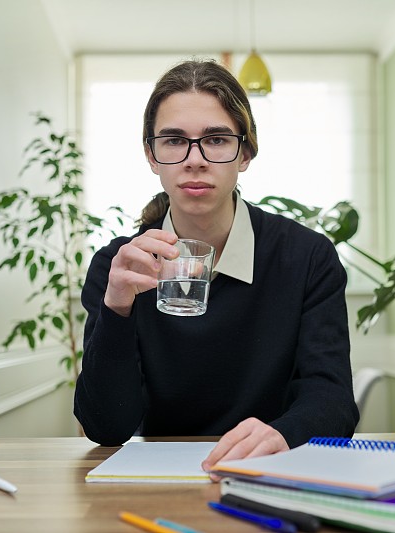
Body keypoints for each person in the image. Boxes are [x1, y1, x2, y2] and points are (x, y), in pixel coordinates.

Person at [74, 58, 358, 475]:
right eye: (173, 140)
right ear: (151, 156)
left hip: (271, 472)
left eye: (217, 139)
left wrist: (283, 434)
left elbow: (332, 400)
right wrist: (117, 308)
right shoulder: (118, 267)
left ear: (245, 153)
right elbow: (106, 427)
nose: (195, 160)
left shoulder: (307, 257)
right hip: (158, 481)